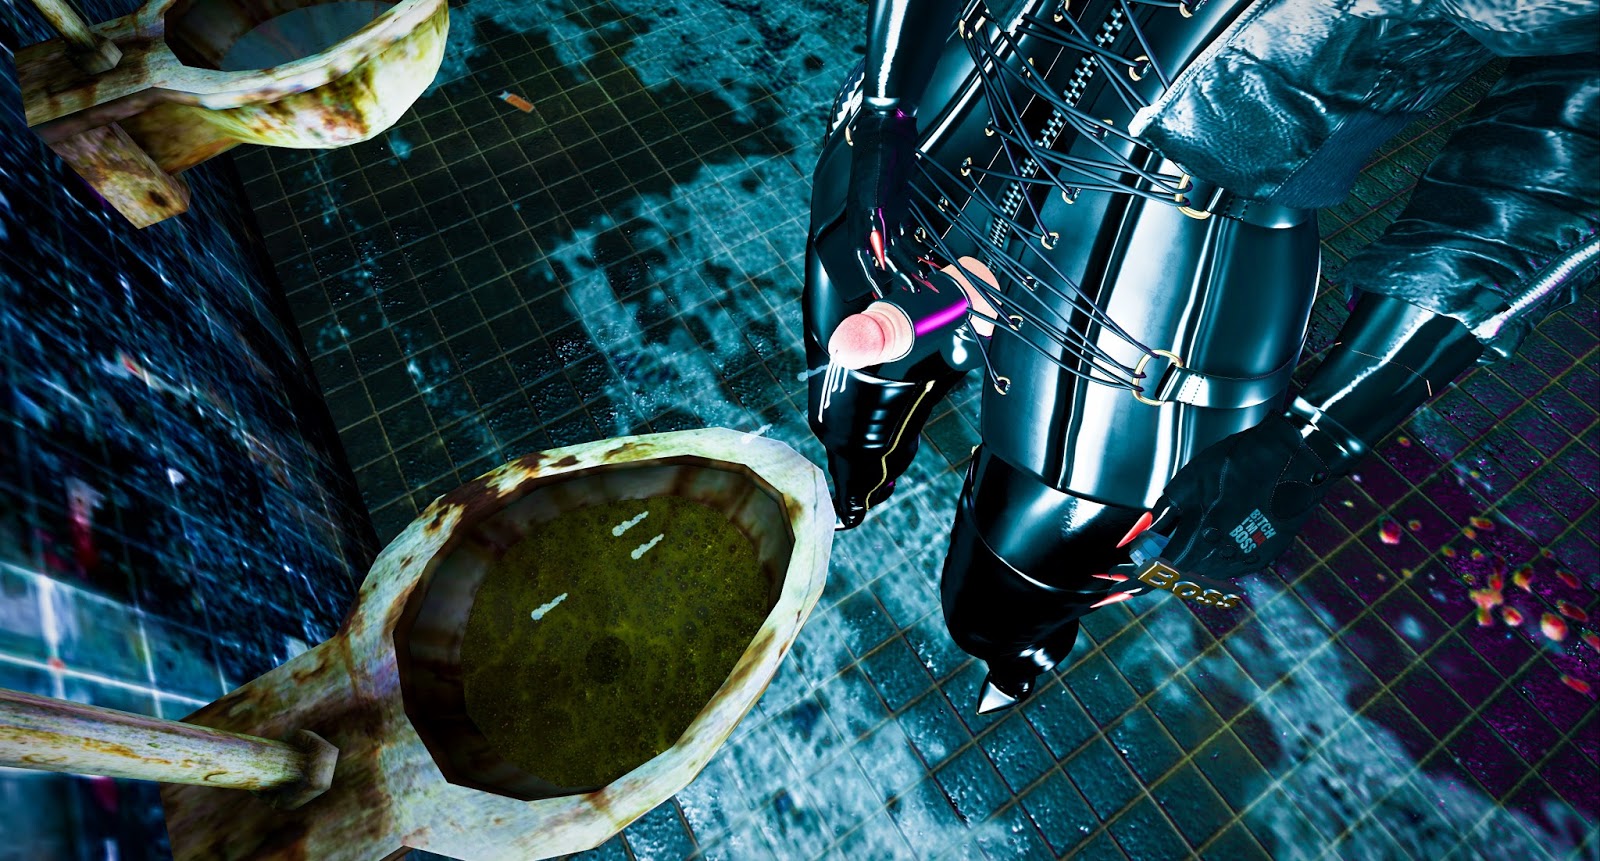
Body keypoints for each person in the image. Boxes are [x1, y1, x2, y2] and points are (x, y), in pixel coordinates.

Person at [803, 0, 1599, 713]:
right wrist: (886, 109)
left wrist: (1322, 434)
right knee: (846, 370)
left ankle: (1015, 649)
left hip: (1171, 244)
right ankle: (856, 475)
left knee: (1014, 576)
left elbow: (1568, 149)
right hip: (975, 68)